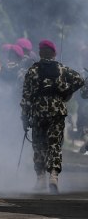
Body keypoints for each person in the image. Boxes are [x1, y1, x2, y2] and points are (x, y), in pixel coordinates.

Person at [21, 39, 85, 194]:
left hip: (38, 113)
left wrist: (24, 118)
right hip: (57, 112)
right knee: (54, 144)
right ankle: (53, 176)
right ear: (54, 54)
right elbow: (80, 80)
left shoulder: (32, 71)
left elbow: (26, 97)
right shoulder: (62, 69)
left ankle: (40, 178)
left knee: (38, 145)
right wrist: (66, 91)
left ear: (41, 53)